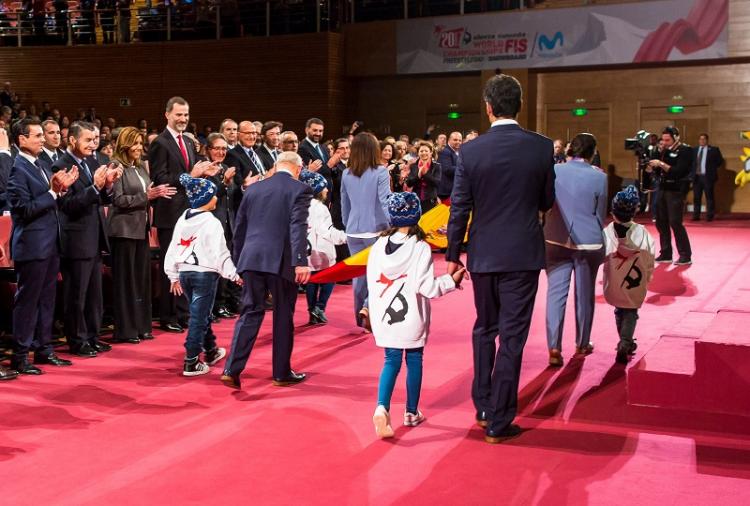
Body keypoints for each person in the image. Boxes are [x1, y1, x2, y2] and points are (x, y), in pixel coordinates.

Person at [446, 74, 555, 444]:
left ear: (488, 107)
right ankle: (500, 418)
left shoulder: (470, 151)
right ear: (519, 105)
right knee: (512, 338)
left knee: (484, 329)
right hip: (523, 253)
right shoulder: (541, 148)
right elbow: (545, 201)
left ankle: (482, 405)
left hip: (483, 255)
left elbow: (459, 206)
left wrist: (451, 255)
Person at [369, 192, 465, 438]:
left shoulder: (378, 246)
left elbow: (372, 282)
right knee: (414, 360)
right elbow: (428, 288)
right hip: (410, 315)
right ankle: (411, 412)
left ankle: (382, 406)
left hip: (385, 314)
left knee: (390, 360)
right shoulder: (420, 247)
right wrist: (450, 282)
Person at [221, 152, 312, 390]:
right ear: (298, 169)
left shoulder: (253, 189)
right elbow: (298, 226)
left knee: (249, 313)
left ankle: (232, 368)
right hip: (281, 262)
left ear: (276, 166)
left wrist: (239, 263)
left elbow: (239, 228)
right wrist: (300, 260)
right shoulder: (300, 189)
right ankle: (281, 373)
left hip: (251, 259)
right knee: (283, 316)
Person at [7, 119, 78, 374]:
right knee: (28, 301)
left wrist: (61, 191)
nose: (41, 139)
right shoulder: (17, 170)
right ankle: (20, 355)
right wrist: (51, 193)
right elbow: (24, 210)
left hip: (49, 244)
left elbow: (51, 200)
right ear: (21, 139)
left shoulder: (41, 165)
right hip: (32, 246)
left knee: (47, 300)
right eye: (36, 135)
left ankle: (44, 349)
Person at [53, 121, 122, 358]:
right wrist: (95, 187)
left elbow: (101, 198)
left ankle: (93, 336)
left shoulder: (93, 161)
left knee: (95, 294)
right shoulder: (60, 165)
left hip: (95, 237)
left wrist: (109, 185)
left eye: (95, 140)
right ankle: (77, 340)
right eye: (87, 140)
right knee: (77, 295)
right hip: (76, 239)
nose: (93, 144)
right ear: (72, 140)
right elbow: (68, 205)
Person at [164, 174, 239, 376]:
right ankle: (191, 361)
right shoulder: (212, 222)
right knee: (198, 317)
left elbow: (173, 247)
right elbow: (220, 253)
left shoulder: (184, 218)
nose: (216, 199)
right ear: (206, 199)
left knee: (201, 314)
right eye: (213, 195)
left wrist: (172, 274)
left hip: (185, 274)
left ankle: (211, 350)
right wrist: (234, 274)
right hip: (204, 276)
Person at [543, 133, 608, 367]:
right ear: (592, 152)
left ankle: (553, 346)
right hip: (588, 242)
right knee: (584, 294)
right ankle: (582, 342)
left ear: (570, 149)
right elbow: (600, 213)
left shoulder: (555, 170)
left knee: (555, 295)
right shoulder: (600, 177)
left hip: (555, 238)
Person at [108, 127, 175, 344]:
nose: (138, 148)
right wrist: (145, 196)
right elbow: (118, 200)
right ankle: (126, 330)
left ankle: (141, 327)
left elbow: (146, 196)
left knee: (141, 282)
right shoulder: (116, 167)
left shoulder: (139, 168)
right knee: (127, 283)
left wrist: (156, 195)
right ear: (124, 145)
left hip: (140, 231)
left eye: (140, 143)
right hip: (124, 232)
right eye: (134, 143)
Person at [149, 97, 204, 333]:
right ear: (167, 115)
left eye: (186, 115)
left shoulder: (189, 143)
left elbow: (187, 176)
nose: (183, 119)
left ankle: (183, 312)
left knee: (188, 264)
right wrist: (191, 174)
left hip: (189, 213)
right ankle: (168, 315)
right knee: (171, 265)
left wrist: (202, 174)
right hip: (170, 213)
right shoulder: (160, 143)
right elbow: (161, 178)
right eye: (179, 115)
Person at [341, 132, 392, 330]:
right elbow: (384, 200)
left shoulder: (346, 173)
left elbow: (344, 204)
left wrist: (348, 225)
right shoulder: (380, 171)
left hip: (353, 231)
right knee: (380, 273)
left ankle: (358, 316)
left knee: (359, 275)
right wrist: (393, 225)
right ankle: (368, 307)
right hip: (376, 231)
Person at [603, 185, 655, 364]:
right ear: (635, 211)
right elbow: (650, 256)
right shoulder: (642, 233)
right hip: (635, 281)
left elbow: (602, 255)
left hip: (615, 283)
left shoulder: (608, 232)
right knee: (631, 311)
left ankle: (625, 341)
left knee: (619, 310)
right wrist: (648, 275)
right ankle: (625, 342)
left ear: (613, 210)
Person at [300, 170, 347, 325]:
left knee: (312, 281)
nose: (327, 190)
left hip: (305, 250)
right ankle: (319, 308)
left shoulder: (299, 203)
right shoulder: (319, 207)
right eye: (324, 187)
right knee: (330, 278)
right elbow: (325, 231)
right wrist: (343, 237)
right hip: (321, 251)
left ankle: (312, 311)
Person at [204, 132, 240, 317]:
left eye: (224, 149)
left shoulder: (226, 167)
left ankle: (221, 303)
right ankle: (210, 307)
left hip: (228, 223)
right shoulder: (204, 169)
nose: (220, 152)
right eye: (217, 148)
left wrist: (242, 187)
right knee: (212, 266)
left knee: (225, 263)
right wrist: (224, 182)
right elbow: (209, 195)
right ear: (208, 150)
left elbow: (231, 195)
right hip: (211, 224)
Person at [647, 126, 693, 265]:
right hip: (662, 188)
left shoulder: (685, 150)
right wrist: (652, 167)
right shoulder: (663, 151)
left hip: (676, 190)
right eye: (664, 140)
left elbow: (678, 171)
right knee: (661, 221)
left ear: (676, 137)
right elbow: (658, 170)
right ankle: (666, 253)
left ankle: (685, 254)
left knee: (675, 222)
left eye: (668, 140)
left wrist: (660, 163)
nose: (665, 142)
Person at [692, 133, 724, 222]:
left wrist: (711, 168)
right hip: (697, 177)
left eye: (704, 139)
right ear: (698, 140)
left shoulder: (714, 150)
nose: (702, 141)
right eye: (700, 139)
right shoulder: (694, 150)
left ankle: (710, 215)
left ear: (707, 140)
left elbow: (720, 161)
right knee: (696, 197)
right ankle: (696, 215)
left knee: (709, 197)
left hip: (707, 177)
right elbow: (691, 163)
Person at [404, 140, 441, 213]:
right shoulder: (413, 166)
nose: (424, 153)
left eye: (426, 151)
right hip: (415, 200)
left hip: (430, 201)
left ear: (431, 153)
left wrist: (426, 174)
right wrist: (418, 176)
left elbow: (437, 183)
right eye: (421, 151)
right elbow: (409, 183)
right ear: (418, 153)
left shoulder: (436, 166)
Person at [437, 131, 462, 201]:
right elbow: (447, 169)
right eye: (455, 140)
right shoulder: (445, 151)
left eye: (460, 140)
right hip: (446, 191)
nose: (458, 142)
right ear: (449, 140)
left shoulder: (456, 151)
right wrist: (464, 167)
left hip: (452, 190)